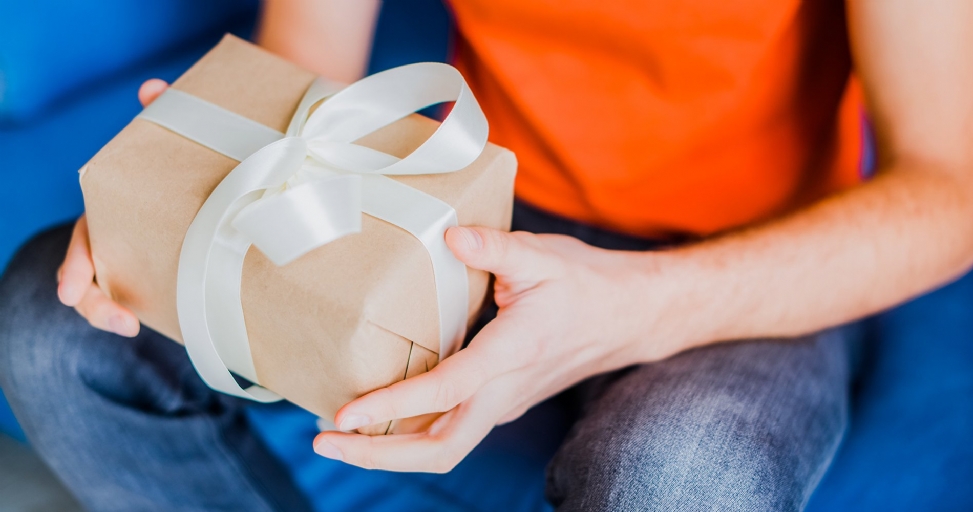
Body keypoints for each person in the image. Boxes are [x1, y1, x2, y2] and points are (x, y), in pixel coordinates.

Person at [1, 0, 972, 510]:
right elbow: (303, 63)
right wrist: (177, 207)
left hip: (741, 263)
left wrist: (636, 305)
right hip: (461, 215)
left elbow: (949, 188)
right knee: (49, 328)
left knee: (680, 478)